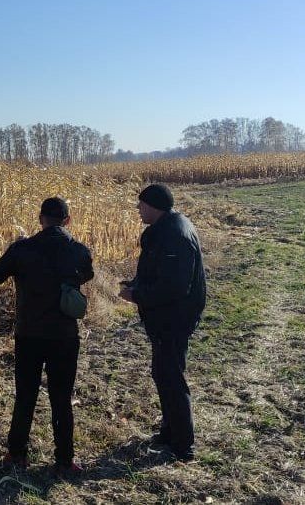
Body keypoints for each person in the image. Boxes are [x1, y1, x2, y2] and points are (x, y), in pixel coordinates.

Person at [0, 197, 94, 474]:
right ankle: (64, 460)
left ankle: (17, 455)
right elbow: (86, 275)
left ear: (40, 218)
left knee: (25, 396)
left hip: (29, 334)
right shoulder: (79, 251)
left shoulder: (22, 249)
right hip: (65, 336)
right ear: (67, 220)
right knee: (61, 398)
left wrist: (17, 255)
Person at [118, 183, 206, 462]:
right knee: (162, 373)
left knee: (172, 377)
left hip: (174, 318)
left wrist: (137, 295)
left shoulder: (174, 236)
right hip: (165, 316)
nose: (138, 209)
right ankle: (169, 432)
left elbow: (174, 286)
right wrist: (135, 284)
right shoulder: (167, 228)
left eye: (141, 205)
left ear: (153, 206)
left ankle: (183, 445)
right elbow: (159, 272)